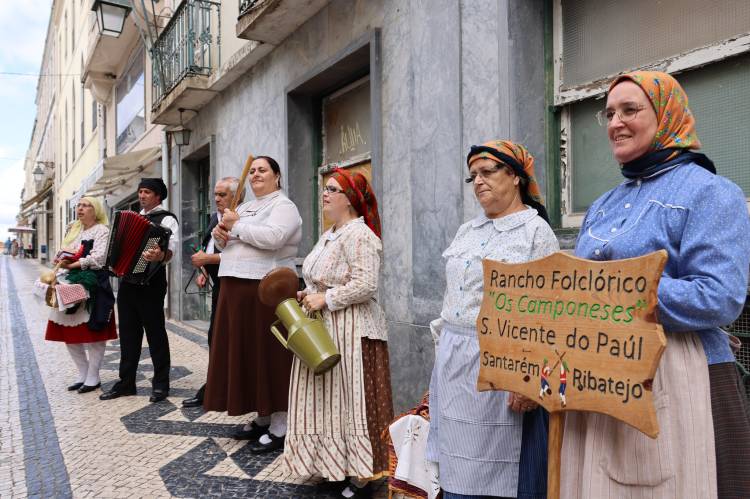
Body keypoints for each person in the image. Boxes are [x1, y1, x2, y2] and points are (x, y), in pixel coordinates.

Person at [560, 71, 750, 499]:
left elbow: (719, 296)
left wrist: (617, 294)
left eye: (630, 110)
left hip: (679, 377)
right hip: (599, 375)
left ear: (667, 116)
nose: (615, 123)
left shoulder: (712, 193)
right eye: (609, 113)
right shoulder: (604, 205)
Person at [426, 140, 559, 499]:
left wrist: (530, 379)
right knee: (457, 466)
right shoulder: (467, 231)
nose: (479, 181)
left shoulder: (535, 232)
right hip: (455, 361)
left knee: (500, 471)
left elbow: (549, 312)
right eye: (473, 176)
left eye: (487, 172)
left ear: (515, 176)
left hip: (505, 363)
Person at [284, 168, 394, 499]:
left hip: (354, 330)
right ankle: (334, 465)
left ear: (350, 199)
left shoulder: (359, 235)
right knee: (329, 400)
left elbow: (366, 283)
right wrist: (309, 293)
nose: (325, 194)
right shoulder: (332, 233)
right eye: (325, 189)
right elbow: (321, 276)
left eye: (332, 189)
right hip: (327, 328)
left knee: (353, 401)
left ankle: (363, 476)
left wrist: (326, 297)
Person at [205, 156, 302, 453]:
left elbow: (273, 238)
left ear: (277, 175)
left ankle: (282, 423)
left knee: (270, 354)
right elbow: (227, 243)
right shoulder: (244, 207)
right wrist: (219, 235)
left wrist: (234, 228)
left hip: (264, 288)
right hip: (234, 287)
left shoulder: (283, 206)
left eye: (263, 170)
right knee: (246, 353)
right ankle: (262, 415)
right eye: (254, 170)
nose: (256, 174)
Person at [100, 177, 179, 403]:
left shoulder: (167, 220)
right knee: (128, 335)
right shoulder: (132, 218)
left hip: (151, 284)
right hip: (127, 284)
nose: (142, 195)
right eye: (140, 191)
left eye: (146, 192)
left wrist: (161, 255)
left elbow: (171, 250)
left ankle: (161, 384)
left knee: (156, 334)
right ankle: (126, 383)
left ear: (158, 196)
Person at [45, 197, 117, 393]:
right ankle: (83, 373)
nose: (81, 208)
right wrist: (60, 259)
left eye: (86, 205)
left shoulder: (102, 230)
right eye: (79, 205)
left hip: (92, 285)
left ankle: (93, 377)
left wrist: (72, 264)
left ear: (96, 210)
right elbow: (65, 252)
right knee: (69, 332)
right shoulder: (73, 229)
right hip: (69, 284)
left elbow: (99, 259)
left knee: (94, 332)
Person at [181, 177, 240, 408]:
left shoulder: (240, 219)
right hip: (218, 285)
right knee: (214, 337)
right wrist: (206, 269)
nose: (216, 199)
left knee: (224, 338)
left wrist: (208, 259)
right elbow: (210, 245)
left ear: (236, 196)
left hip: (234, 286)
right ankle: (215, 386)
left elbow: (242, 254)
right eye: (215, 194)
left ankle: (219, 388)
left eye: (222, 195)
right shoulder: (215, 217)